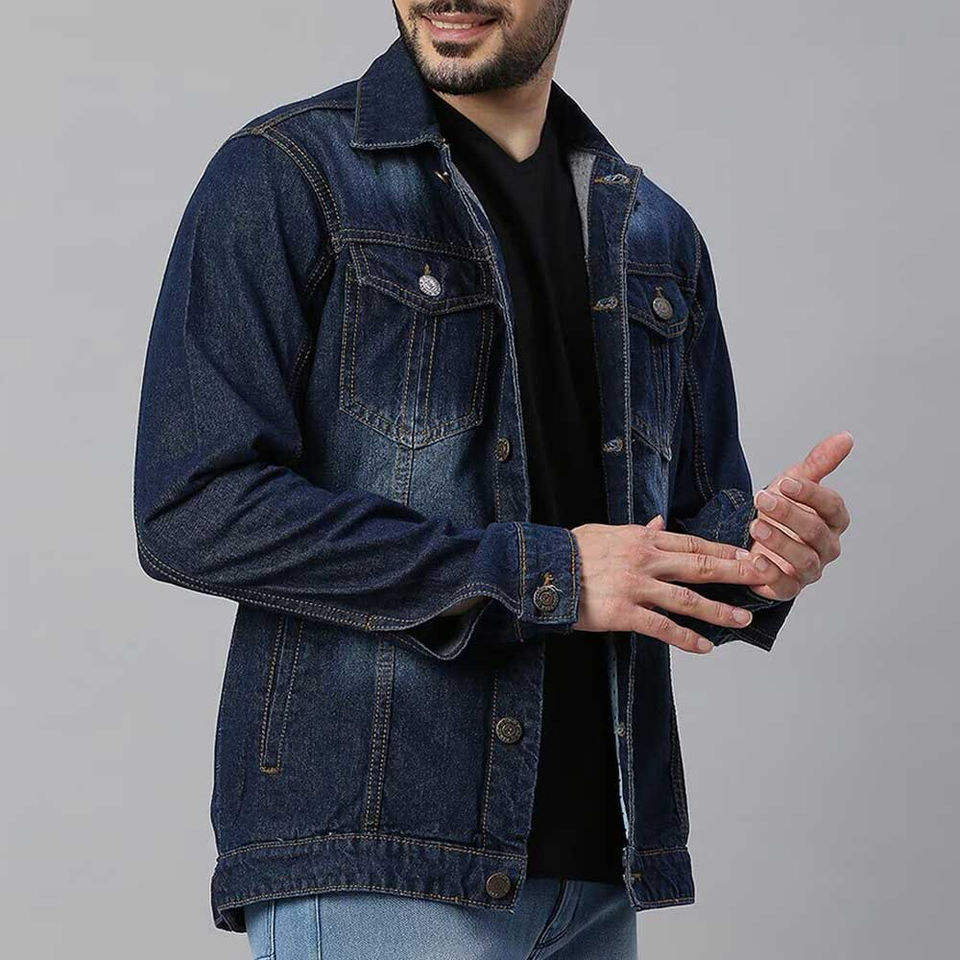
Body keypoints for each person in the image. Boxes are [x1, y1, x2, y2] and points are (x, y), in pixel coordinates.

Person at [133, 2, 852, 957]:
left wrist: (764, 562)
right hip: (383, 862)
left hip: (597, 874)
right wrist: (546, 574)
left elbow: (677, 540)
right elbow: (193, 507)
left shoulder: (654, 233)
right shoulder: (290, 175)